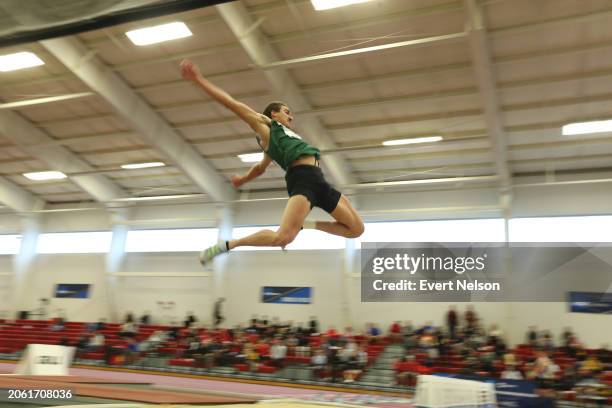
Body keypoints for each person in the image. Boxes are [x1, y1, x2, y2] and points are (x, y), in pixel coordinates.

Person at [180, 59, 364, 265]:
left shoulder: (282, 139)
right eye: (287, 112)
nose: (291, 117)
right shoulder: (266, 129)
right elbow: (232, 104)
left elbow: (260, 168)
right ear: (273, 114)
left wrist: (242, 180)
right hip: (302, 181)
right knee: (282, 237)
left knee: (356, 230)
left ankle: (305, 224)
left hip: (319, 180)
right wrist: (199, 80)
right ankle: (227, 245)